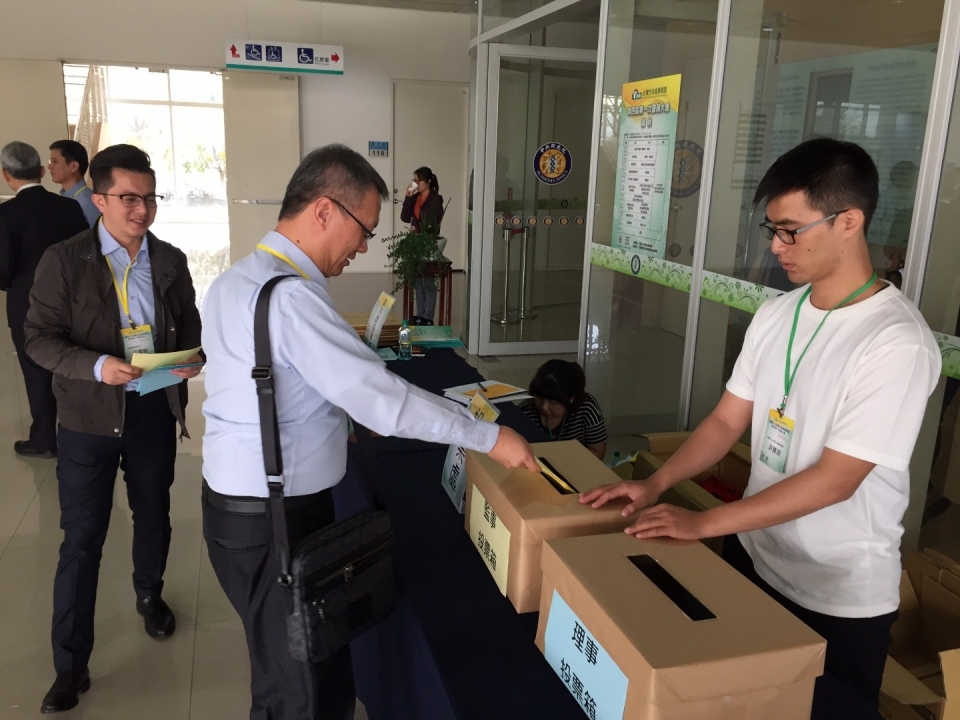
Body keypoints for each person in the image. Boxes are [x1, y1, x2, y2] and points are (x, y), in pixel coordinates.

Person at [581, 138, 941, 711]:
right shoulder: (778, 313)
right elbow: (727, 420)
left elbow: (836, 480)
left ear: (849, 222)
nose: (776, 247)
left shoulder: (895, 343)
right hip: (754, 560)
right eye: (772, 229)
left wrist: (705, 523)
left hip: (835, 597)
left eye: (791, 231)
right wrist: (656, 483)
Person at [201, 144, 538, 720]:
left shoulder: (240, 279)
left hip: (245, 507)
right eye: (363, 230)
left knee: (301, 668)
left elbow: (275, 387)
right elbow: (383, 401)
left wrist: (333, 426)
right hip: (273, 518)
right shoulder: (292, 299)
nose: (362, 247)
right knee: (299, 692)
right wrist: (487, 436)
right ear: (324, 210)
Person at [24, 144, 203, 714]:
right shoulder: (64, 260)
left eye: (150, 198)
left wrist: (190, 359)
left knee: (154, 512)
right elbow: (39, 339)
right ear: (99, 199)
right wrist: (98, 365)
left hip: (151, 409)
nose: (142, 210)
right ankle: (70, 665)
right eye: (129, 198)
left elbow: (190, 326)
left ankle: (150, 595)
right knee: (81, 538)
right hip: (87, 416)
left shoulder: (169, 259)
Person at [0, 141, 88, 459]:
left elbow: (3, 268)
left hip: (26, 305)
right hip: (71, 302)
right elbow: (85, 253)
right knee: (72, 366)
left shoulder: (6, 214)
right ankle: (81, 432)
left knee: (35, 372)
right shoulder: (69, 208)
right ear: (40, 170)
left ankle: (44, 440)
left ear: (6, 175)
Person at [519, 359, 607, 461]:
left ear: (571, 398)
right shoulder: (525, 411)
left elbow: (598, 452)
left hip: (577, 464)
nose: (544, 407)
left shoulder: (587, 407)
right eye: (539, 398)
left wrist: (566, 461)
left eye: (553, 402)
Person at [400, 166, 444, 326]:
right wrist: (408, 197)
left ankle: (428, 317)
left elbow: (431, 221)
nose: (416, 184)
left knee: (428, 282)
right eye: (414, 180)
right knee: (418, 281)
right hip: (415, 241)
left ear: (428, 181)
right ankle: (420, 315)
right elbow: (405, 217)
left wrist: (416, 226)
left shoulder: (435, 199)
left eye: (419, 181)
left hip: (427, 242)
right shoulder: (415, 197)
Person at [48, 139, 100, 227]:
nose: (49, 166)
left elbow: (96, 234)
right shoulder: (66, 198)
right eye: (50, 162)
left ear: (74, 166)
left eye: (55, 161)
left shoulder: (87, 202)